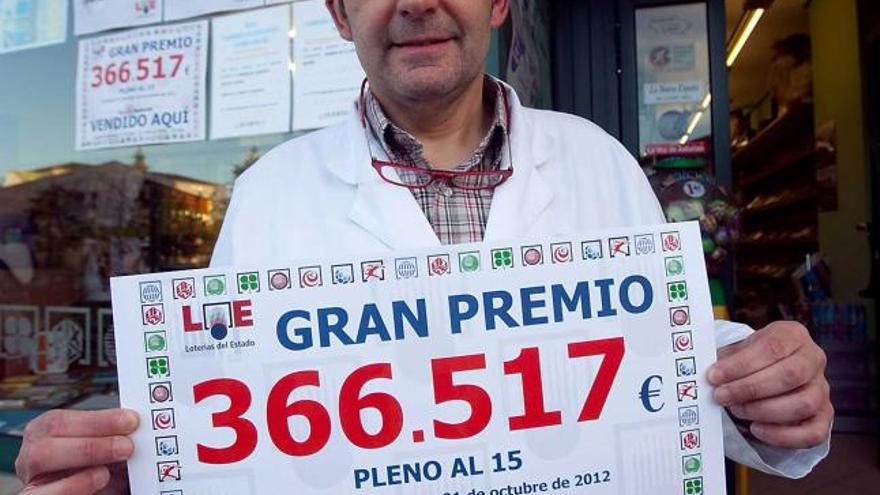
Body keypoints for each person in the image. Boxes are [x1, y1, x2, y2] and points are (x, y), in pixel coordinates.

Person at [15, 1, 832, 493]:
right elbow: (234, 427)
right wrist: (142, 469)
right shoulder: (270, 193)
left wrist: (771, 389)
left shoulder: (594, 159)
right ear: (339, 14)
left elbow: (672, 368)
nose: (414, 4)